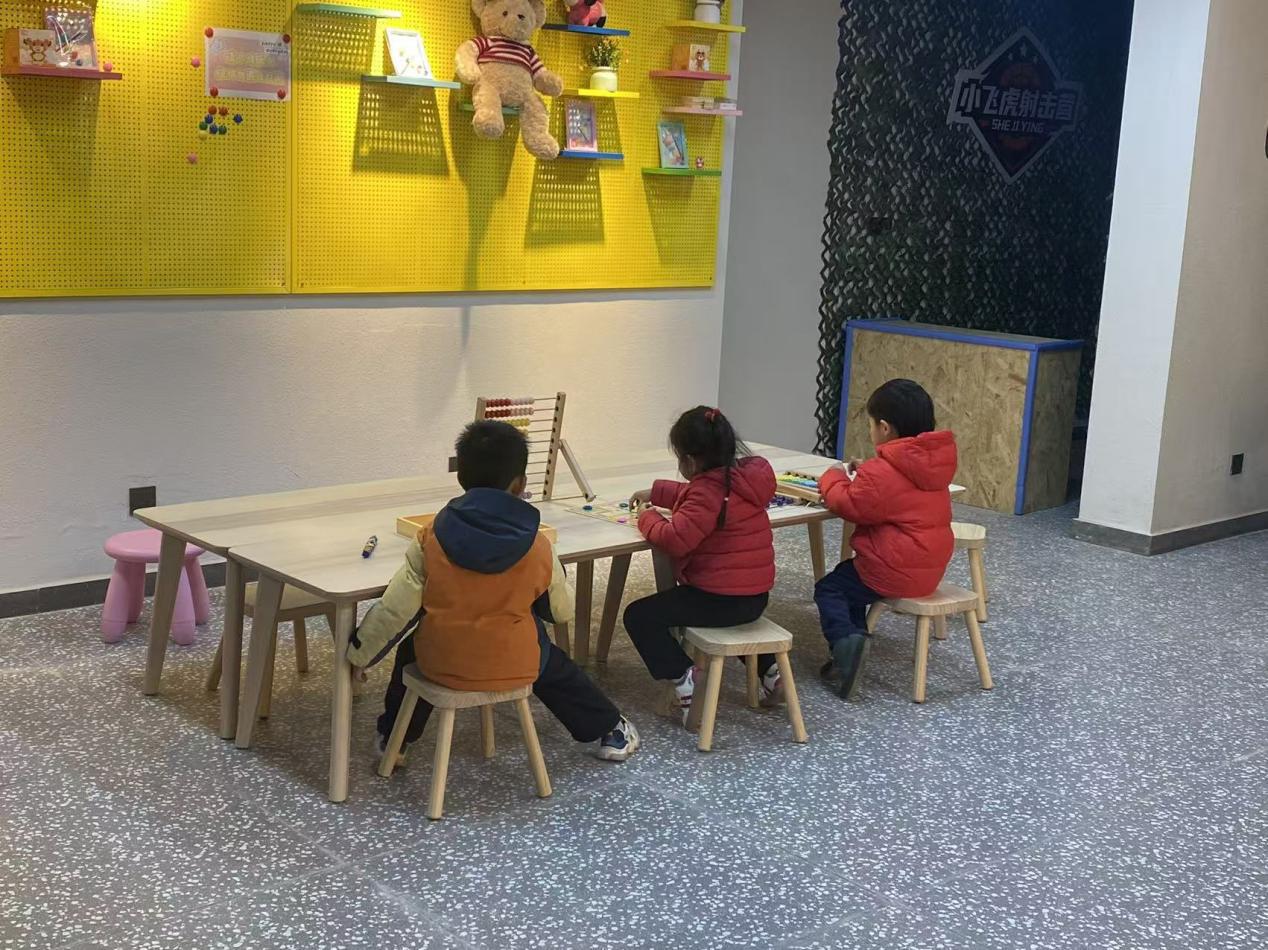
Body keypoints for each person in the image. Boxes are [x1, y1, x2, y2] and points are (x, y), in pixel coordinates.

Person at [348, 420, 640, 763]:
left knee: (413, 647)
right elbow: (559, 612)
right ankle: (610, 729)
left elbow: (396, 610)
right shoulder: (539, 545)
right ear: (520, 484)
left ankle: (394, 739)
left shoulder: (430, 536)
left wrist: (359, 656)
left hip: (442, 662)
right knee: (543, 651)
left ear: (461, 477)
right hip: (515, 664)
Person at [623, 407, 778, 723]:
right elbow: (700, 495)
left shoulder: (707, 493)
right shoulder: (743, 479)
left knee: (639, 616)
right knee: (733, 619)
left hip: (717, 600)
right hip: (755, 598)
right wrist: (658, 492)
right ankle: (772, 673)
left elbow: (674, 539)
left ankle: (684, 678)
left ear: (690, 462)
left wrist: (647, 516)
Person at [815, 378, 957, 700]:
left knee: (831, 588)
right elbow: (896, 491)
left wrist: (833, 476)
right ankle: (852, 646)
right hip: (929, 569)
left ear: (884, 427)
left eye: (870, 425)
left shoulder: (882, 473)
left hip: (892, 569)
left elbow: (849, 505)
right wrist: (868, 473)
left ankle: (846, 646)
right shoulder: (933, 464)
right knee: (849, 582)